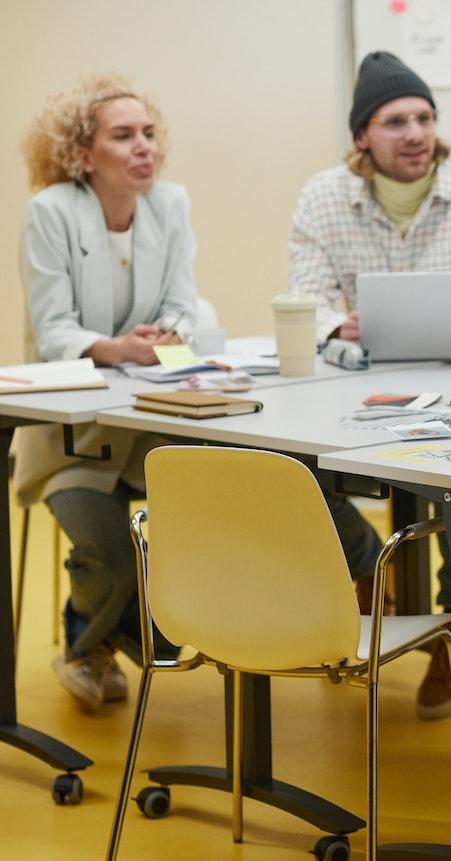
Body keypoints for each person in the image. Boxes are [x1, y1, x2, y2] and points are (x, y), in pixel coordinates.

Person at [288, 50, 451, 720]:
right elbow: (308, 301)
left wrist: (383, 322)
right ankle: (366, 569)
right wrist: (338, 323)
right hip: (350, 394)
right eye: (395, 121)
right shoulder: (324, 195)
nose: (415, 132)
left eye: (424, 117)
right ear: (363, 136)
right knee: (286, 461)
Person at [16, 74, 196, 710]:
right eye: (123, 136)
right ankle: (88, 641)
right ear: (82, 155)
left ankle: (136, 632)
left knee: (207, 518)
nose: (144, 147)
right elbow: (53, 327)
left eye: (149, 133)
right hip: (69, 435)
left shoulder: (170, 205)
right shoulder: (51, 213)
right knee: (112, 557)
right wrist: (115, 347)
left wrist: (171, 332)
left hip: (147, 423)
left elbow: (186, 306)